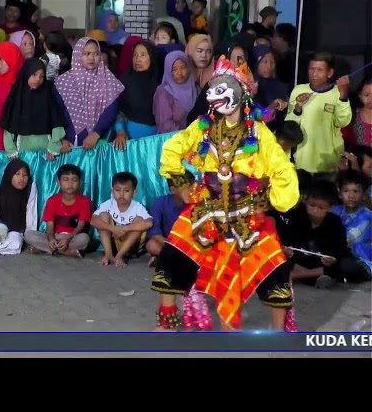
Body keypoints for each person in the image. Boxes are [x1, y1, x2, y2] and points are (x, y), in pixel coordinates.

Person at [151, 55, 299, 332]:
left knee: (273, 266)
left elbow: (282, 168)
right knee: (173, 253)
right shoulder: (202, 127)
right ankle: (167, 321)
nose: (215, 95)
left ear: (242, 94)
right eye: (213, 88)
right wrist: (184, 184)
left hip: (246, 212)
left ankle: (278, 332)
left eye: (223, 88)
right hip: (207, 208)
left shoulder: (259, 132)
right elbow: (172, 150)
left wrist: (272, 200)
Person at [24, 164, 92, 257]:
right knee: (28, 235)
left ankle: (45, 249)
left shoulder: (84, 201)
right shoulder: (52, 200)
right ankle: (67, 251)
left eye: (74, 180)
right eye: (66, 179)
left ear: (80, 183)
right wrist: (51, 239)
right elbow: (50, 226)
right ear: (59, 183)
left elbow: (81, 226)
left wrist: (68, 238)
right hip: (55, 236)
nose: (70, 183)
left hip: (72, 237)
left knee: (85, 239)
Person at [90, 171, 153, 267]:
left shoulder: (137, 207)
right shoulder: (108, 204)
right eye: (118, 190)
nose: (122, 194)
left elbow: (149, 223)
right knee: (103, 215)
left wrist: (125, 229)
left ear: (134, 193)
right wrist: (113, 228)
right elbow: (93, 220)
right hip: (113, 244)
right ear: (112, 191)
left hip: (131, 247)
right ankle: (108, 254)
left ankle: (120, 255)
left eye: (127, 191)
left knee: (139, 220)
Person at [146, 171, 196, 268]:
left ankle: (165, 261)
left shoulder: (197, 204)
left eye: (192, 188)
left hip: (190, 245)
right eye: (186, 189)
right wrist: (174, 247)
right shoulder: (160, 203)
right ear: (173, 190)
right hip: (168, 244)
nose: (191, 192)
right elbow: (154, 233)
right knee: (151, 245)